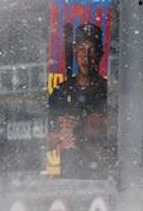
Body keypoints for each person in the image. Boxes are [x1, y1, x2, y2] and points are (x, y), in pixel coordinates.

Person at [48, 22, 112, 178]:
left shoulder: (109, 91)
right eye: (82, 50)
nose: (87, 57)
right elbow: (42, 140)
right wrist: (61, 136)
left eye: (92, 50)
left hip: (100, 178)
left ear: (100, 54)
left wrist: (83, 131)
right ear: (75, 52)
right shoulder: (60, 92)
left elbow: (115, 135)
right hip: (67, 177)